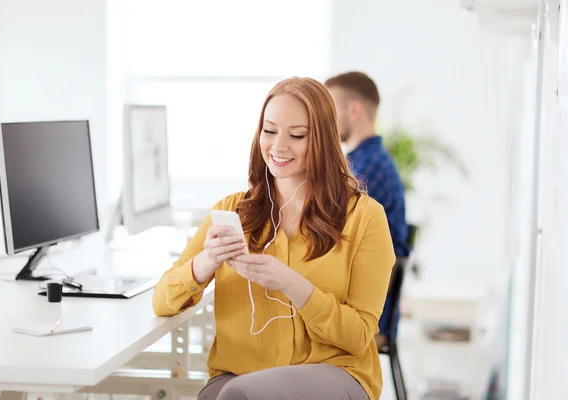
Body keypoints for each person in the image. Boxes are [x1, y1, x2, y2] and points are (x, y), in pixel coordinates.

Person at [152, 77, 395, 400]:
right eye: (269, 131)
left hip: (335, 372)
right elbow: (161, 300)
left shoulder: (364, 217)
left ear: (323, 140)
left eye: (297, 135)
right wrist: (204, 263)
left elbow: (358, 336)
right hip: (238, 376)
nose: (279, 147)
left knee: (239, 396)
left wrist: (294, 285)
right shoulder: (231, 212)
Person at [325, 71, 410, 349]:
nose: (325, 119)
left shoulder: (364, 171)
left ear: (355, 109)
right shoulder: (365, 162)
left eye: (330, 108)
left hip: (368, 315)